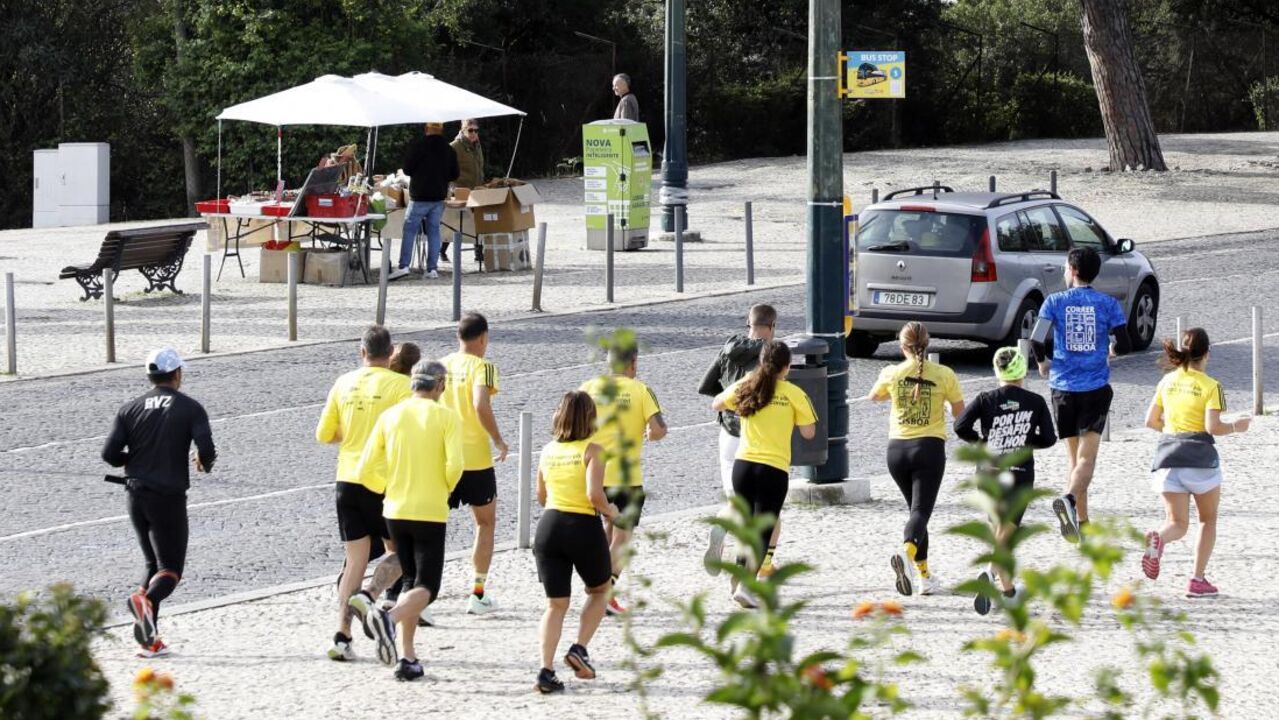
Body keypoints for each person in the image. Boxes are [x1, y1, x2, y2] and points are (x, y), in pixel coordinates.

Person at [354, 359, 464, 681]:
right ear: (441, 385)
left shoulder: (390, 416)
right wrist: (442, 488)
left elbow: (364, 469)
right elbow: (455, 465)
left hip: (394, 510)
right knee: (427, 586)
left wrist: (385, 487)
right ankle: (388, 619)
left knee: (409, 581)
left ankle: (408, 657)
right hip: (429, 510)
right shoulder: (446, 417)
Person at [103, 347, 216, 658]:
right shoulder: (190, 408)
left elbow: (109, 455)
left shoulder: (129, 408)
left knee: (153, 564)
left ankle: (149, 640)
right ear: (177, 374)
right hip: (167, 497)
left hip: (134, 494)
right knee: (171, 569)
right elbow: (206, 448)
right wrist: (203, 462)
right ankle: (144, 600)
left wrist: (136, 459)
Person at [316, 325, 411, 661]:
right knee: (403, 552)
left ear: (362, 352)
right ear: (391, 353)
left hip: (347, 479)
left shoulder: (343, 383)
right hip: (384, 482)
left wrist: (354, 431)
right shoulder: (402, 386)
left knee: (354, 561)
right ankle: (372, 598)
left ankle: (342, 635)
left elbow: (324, 434)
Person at [1032, 246, 1131, 543]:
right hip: (1095, 388)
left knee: (1074, 460)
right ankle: (1071, 500)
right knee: (1087, 461)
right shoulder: (1108, 304)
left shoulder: (1054, 301)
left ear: (1073, 270)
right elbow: (1124, 343)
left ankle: (1081, 522)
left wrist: (1042, 363)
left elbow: (1037, 339)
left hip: (1062, 387)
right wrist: (1111, 350)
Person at [1141, 328, 1249, 598]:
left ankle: (1159, 539)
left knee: (1176, 523)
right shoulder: (1211, 386)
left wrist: (1174, 429)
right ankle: (1197, 580)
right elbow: (1213, 427)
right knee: (1207, 520)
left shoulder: (1167, 382)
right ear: (1207, 354)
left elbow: (1150, 421)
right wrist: (1237, 426)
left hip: (1167, 457)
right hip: (1200, 460)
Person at [712, 340, 817, 609]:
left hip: (743, 465)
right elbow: (809, 432)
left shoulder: (748, 384)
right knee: (763, 530)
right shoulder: (794, 393)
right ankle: (748, 586)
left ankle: (737, 580)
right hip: (774, 468)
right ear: (787, 366)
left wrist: (744, 405)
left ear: (761, 362)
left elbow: (717, 404)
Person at [954, 346, 1056, 614]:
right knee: (1006, 534)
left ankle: (1008, 592)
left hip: (988, 473)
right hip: (1019, 475)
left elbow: (960, 426)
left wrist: (983, 442)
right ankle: (989, 573)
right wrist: (1024, 441)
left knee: (1000, 533)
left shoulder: (985, 399)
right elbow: (1048, 438)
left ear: (996, 370)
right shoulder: (1035, 401)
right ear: (1022, 371)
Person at [867, 322, 964, 597]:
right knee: (921, 512)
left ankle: (925, 576)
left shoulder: (891, 372)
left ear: (902, 347)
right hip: (929, 448)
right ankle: (906, 554)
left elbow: (874, 397)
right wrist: (944, 404)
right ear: (928, 344)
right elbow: (961, 414)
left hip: (896, 450)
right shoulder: (944, 374)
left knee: (916, 512)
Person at [533, 391, 618, 694]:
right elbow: (595, 495)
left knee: (555, 605)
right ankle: (579, 648)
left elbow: (541, 496)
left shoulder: (547, 450)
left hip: (549, 526)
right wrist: (612, 512)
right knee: (600, 589)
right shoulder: (593, 450)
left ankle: (545, 670)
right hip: (581, 525)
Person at [579, 344, 667, 616]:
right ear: (634, 362)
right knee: (623, 537)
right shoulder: (640, 389)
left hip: (594, 474)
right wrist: (647, 436)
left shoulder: (588, 387)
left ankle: (598, 587)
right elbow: (659, 429)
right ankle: (604, 591)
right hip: (627, 478)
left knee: (607, 527)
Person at [697, 304, 784, 578]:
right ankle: (753, 564)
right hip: (755, 438)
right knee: (764, 505)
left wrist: (729, 396)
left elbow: (705, 386)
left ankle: (725, 530)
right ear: (771, 327)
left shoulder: (728, 348)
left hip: (727, 434)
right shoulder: (769, 356)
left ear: (749, 323)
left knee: (737, 498)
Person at [440, 312, 508, 614]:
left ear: (458, 336)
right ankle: (477, 592)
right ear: (483, 338)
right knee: (485, 523)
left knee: (431, 524)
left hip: (443, 457)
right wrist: (498, 439)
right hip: (477, 459)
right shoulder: (483, 367)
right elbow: (481, 404)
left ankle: (421, 592)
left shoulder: (440, 364)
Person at [395, 122, 459, 280]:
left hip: (419, 196)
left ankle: (404, 266)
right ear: (441, 130)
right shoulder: (449, 149)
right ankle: (432, 269)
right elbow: (454, 174)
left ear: (426, 130)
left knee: (409, 229)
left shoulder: (418, 146)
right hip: (438, 196)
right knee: (434, 231)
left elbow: (407, 169)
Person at [450, 119, 485, 190]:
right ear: (463, 131)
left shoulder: (477, 145)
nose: (474, 133)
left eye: (476, 131)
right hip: (460, 193)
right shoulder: (454, 146)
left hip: (477, 191)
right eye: (470, 130)